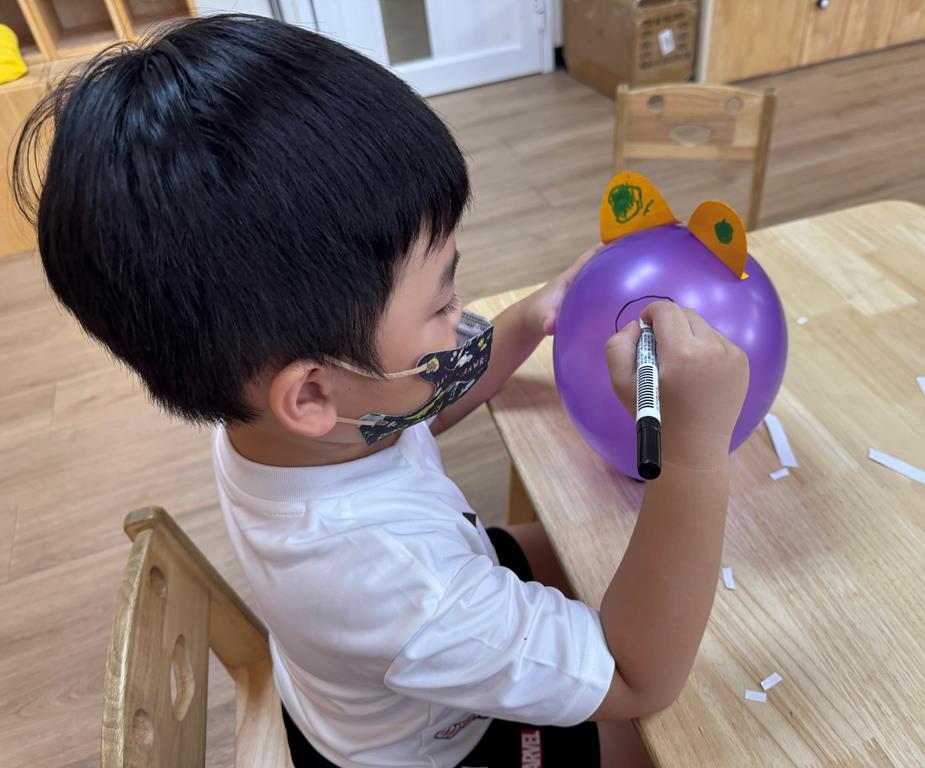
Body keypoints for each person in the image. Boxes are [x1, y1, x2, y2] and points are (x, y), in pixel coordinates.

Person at [12, 14, 748, 767]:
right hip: (430, 748)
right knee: (674, 737)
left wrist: (534, 317)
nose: (461, 315)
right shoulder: (398, 585)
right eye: (442, 301)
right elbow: (636, 677)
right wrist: (694, 450)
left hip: (360, 677)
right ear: (311, 395)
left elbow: (421, 407)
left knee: (581, 545)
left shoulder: (270, 412)